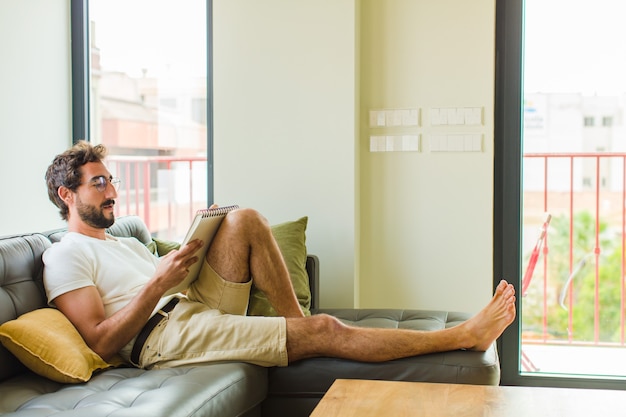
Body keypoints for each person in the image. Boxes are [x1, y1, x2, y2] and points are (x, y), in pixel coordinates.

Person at [43, 140, 516, 369]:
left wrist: (200, 239)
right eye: (98, 183)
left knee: (242, 218)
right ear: (67, 195)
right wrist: (157, 284)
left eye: (112, 181)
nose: (112, 192)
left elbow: (171, 282)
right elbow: (102, 343)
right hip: (159, 339)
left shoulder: (123, 240)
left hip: (187, 307)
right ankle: (462, 336)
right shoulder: (64, 256)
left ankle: (296, 326)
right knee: (328, 328)